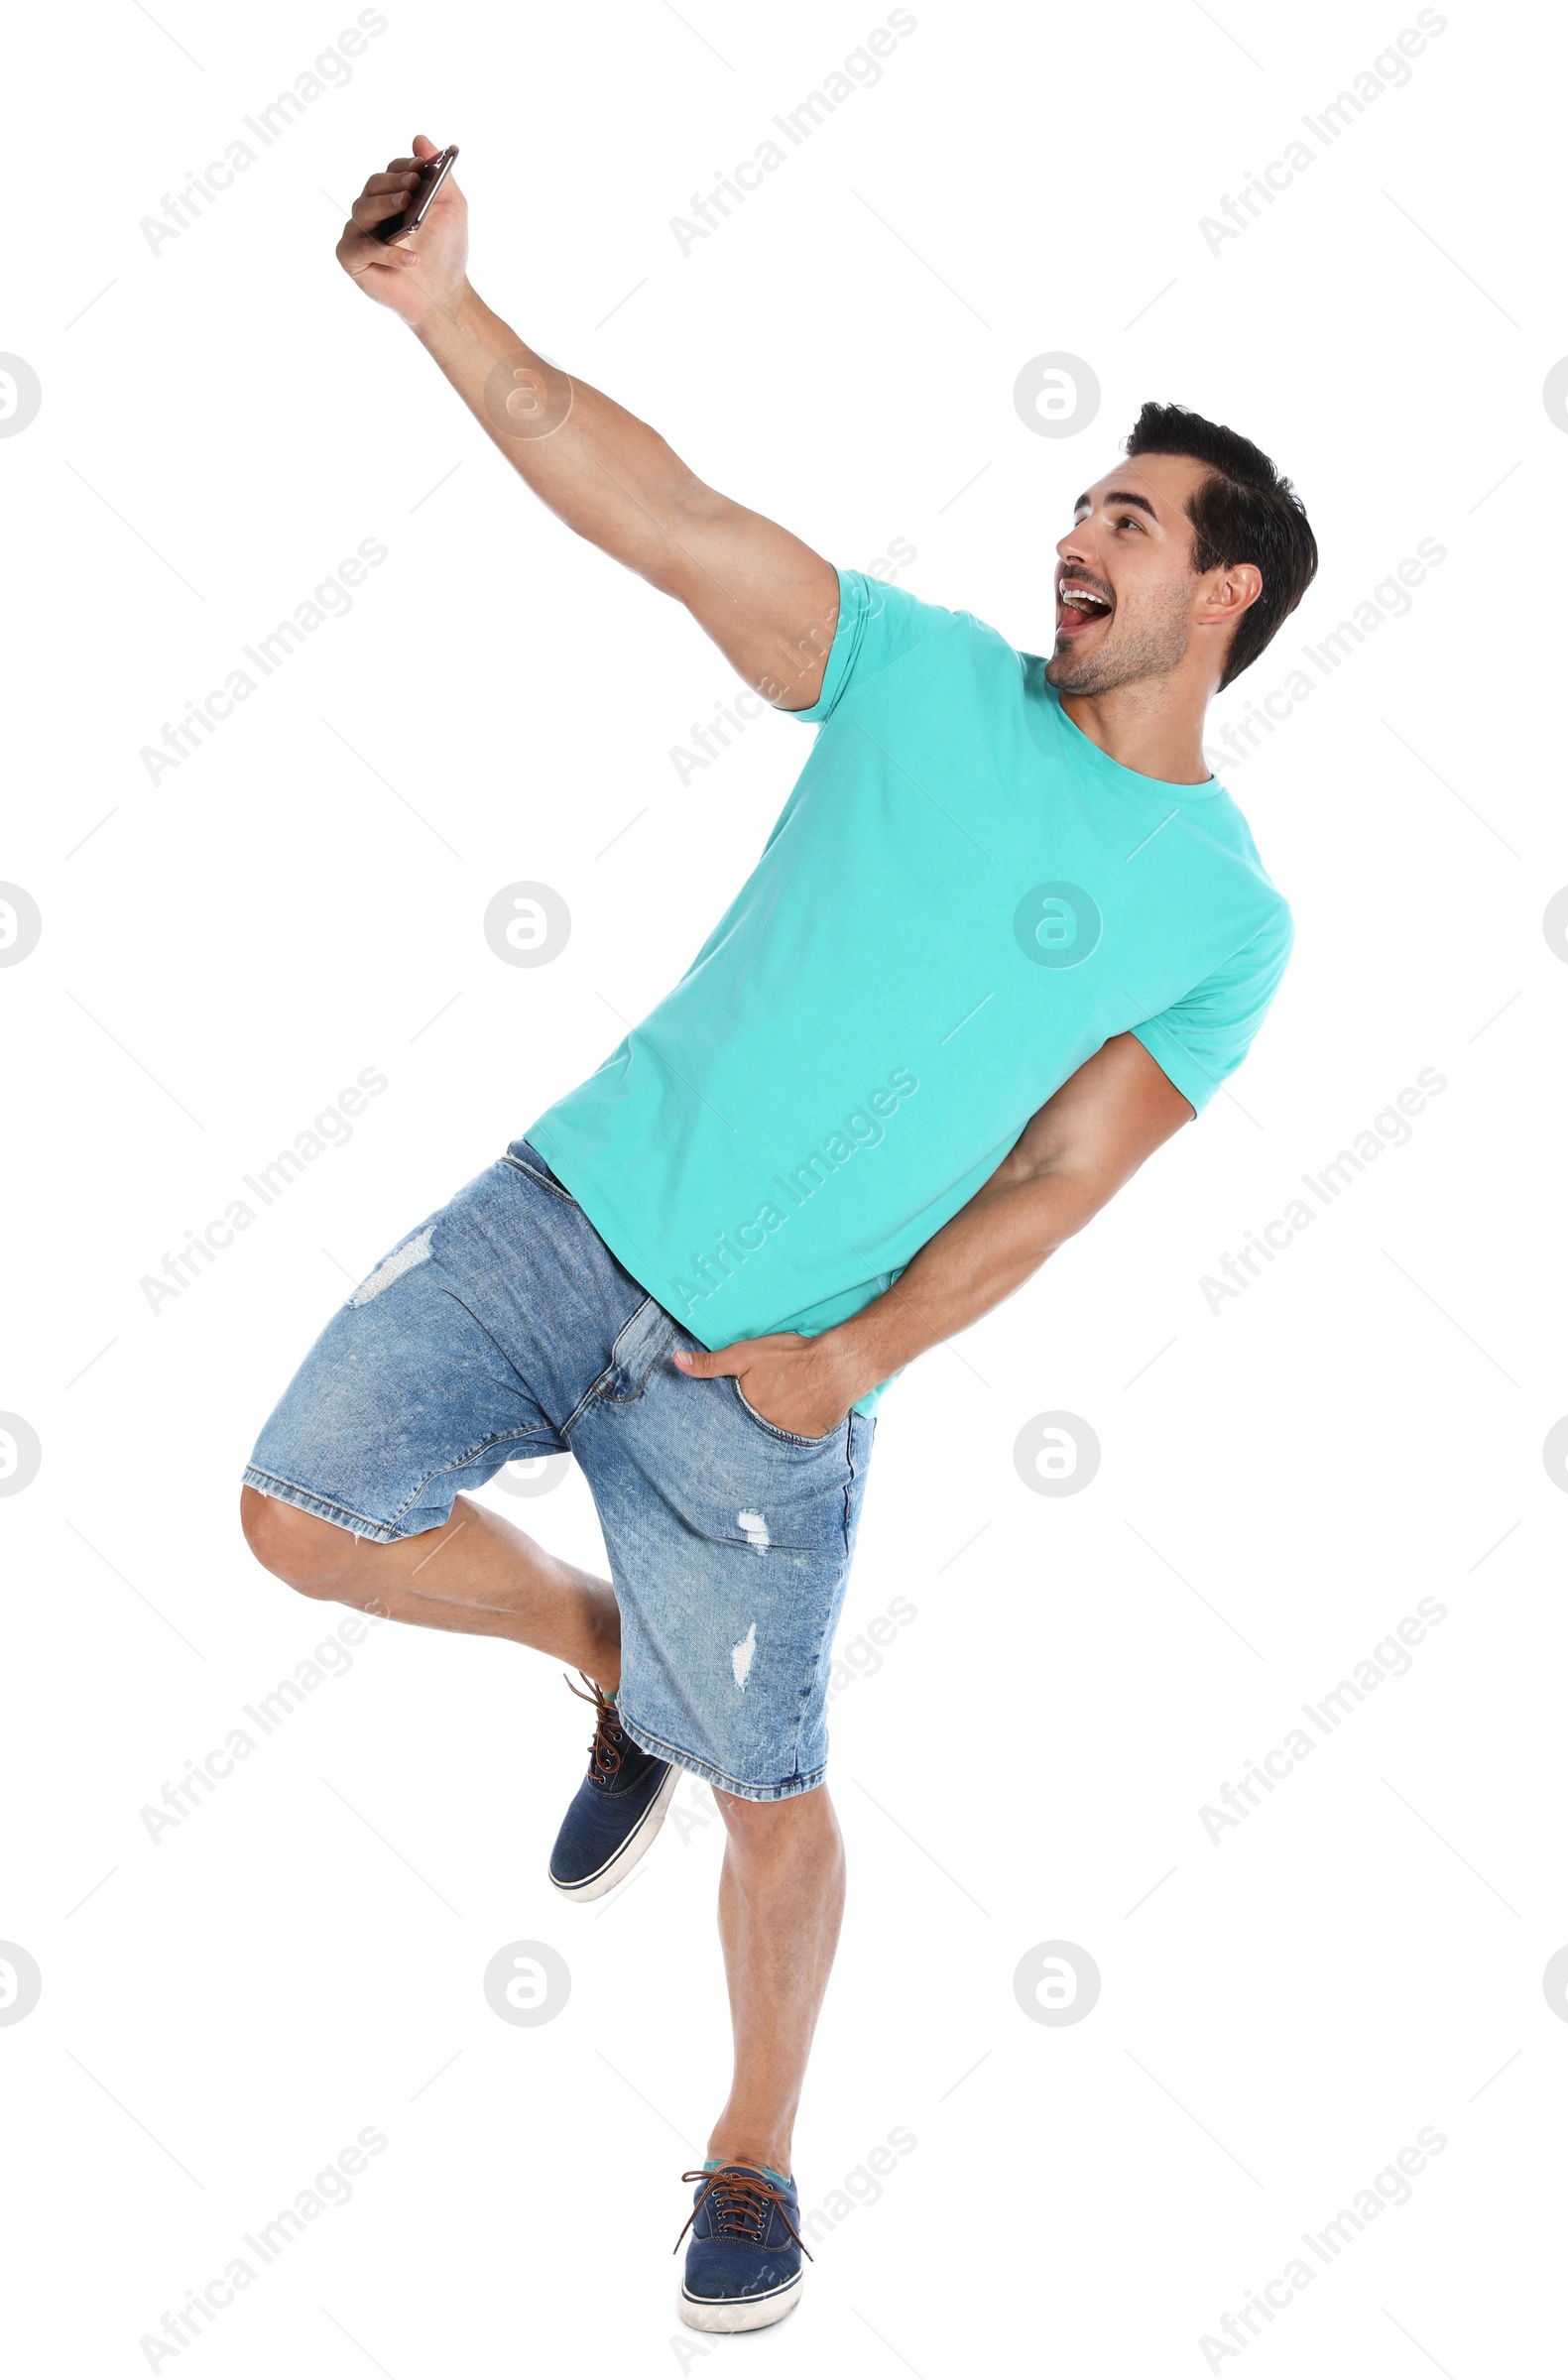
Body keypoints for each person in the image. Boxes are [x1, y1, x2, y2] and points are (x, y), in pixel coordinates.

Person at [240, 133, 1318, 2333]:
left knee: (778, 1797)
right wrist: (447, 309)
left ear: (1224, 596)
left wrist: (850, 1365)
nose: (1073, 538)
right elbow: (661, 516)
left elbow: (1056, 1186)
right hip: (563, 1212)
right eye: (1078, 509)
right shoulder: (917, 673)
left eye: (1125, 519)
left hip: (773, 1374)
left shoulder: (1224, 920)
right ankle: (595, 1652)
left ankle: (750, 2158)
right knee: (296, 1516)